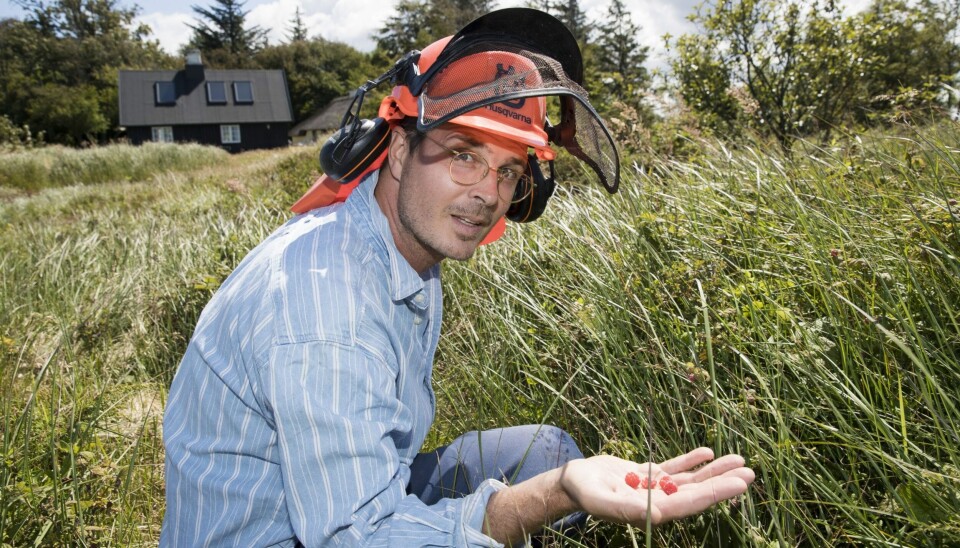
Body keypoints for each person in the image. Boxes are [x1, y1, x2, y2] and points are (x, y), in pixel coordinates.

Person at [160, 8, 754, 547]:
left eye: (507, 170)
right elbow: (354, 537)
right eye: (464, 154)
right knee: (549, 484)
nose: (486, 194)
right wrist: (557, 495)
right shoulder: (325, 304)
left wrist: (558, 484)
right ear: (396, 151)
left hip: (349, 500)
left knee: (545, 453)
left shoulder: (404, 249)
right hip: (284, 536)